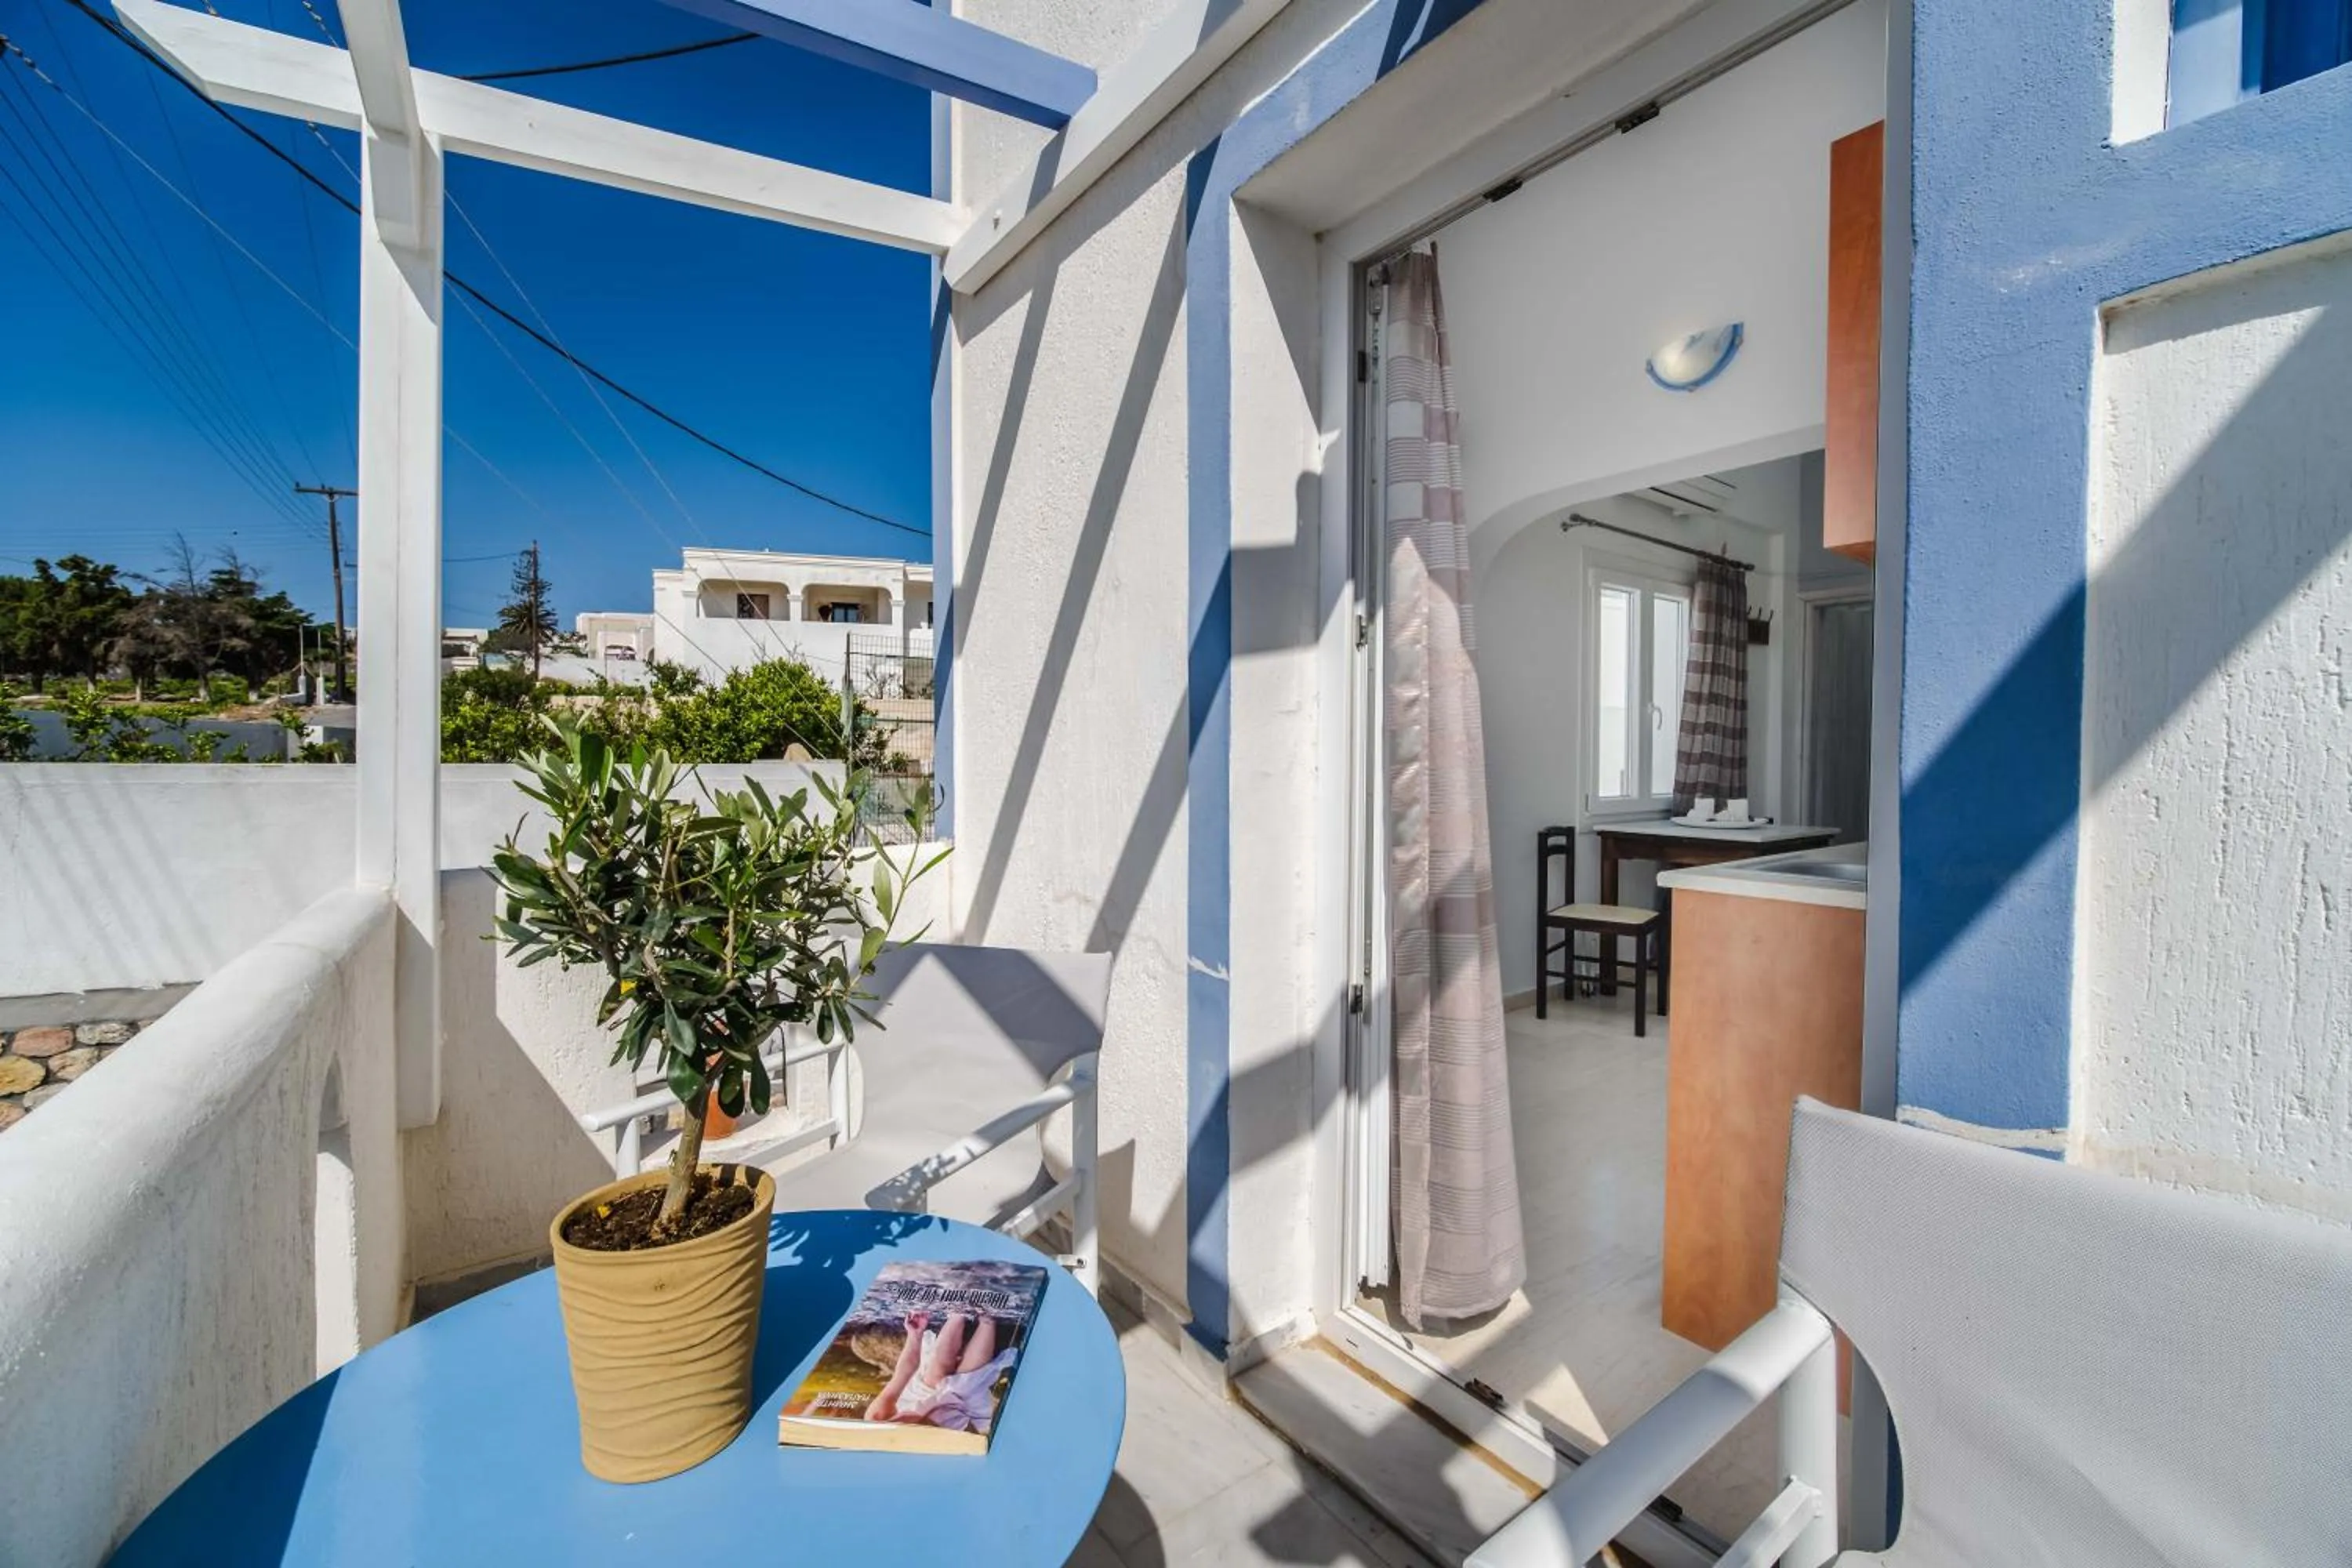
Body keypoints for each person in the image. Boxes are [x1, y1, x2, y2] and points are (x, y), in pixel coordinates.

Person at [866, 1308, 1018, 1433]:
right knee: (964, 1385)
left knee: (934, 1377)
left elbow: (902, 1374)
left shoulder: (876, 1420)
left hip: (921, 1403)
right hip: (957, 1418)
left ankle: (958, 1313)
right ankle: (987, 1321)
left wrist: (915, 1336)